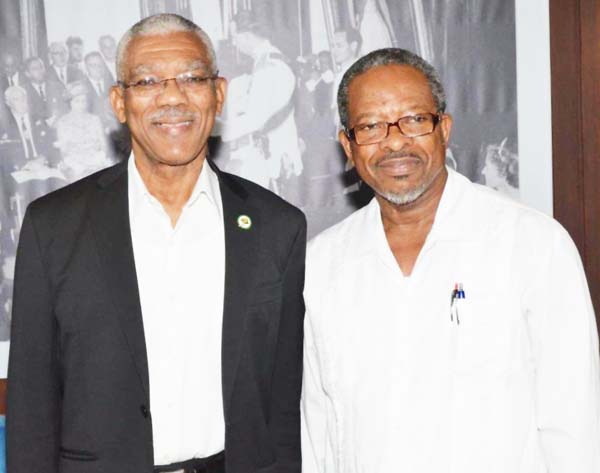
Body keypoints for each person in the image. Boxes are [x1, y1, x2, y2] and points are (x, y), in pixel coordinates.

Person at [7, 13, 306, 473]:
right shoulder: (54, 227)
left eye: (191, 78)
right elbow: (31, 408)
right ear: (119, 102)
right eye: (147, 82)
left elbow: (284, 407)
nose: (172, 97)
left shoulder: (276, 227)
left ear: (219, 94)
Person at [302, 48, 600, 473]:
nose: (395, 141)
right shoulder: (322, 264)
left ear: (444, 128)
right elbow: (318, 431)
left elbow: (573, 424)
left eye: (415, 120)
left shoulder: (532, 245)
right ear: (347, 146)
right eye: (370, 126)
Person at [221, 10, 303, 195]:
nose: (234, 43)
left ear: (247, 36)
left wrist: (216, 133)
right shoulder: (263, 62)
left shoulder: (269, 67)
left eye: (235, 38)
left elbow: (255, 119)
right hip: (265, 150)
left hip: (271, 153)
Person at [54, 81, 110, 181]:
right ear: (70, 102)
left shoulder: (95, 119)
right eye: (77, 101)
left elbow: (103, 144)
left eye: (83, 101)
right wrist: (78, 160)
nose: (81, 105)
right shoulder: (63, 122)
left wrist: (98, 157)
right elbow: (63, 150)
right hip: (75, 163)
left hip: (95, 159)